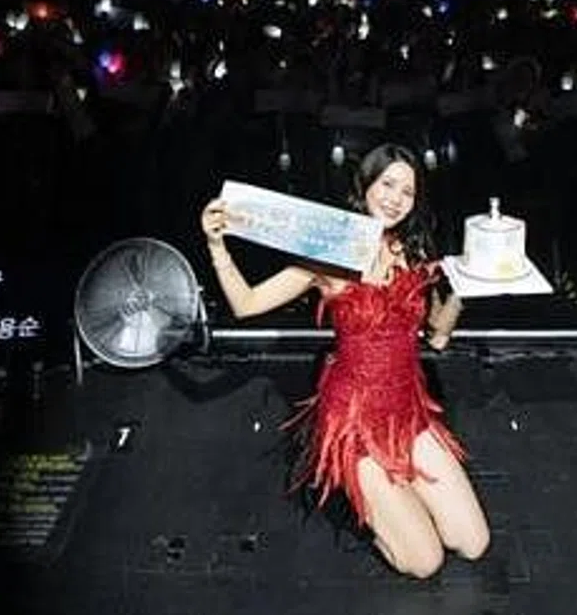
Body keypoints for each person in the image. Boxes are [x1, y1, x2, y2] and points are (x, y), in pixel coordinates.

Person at [199, 144, 491, 580]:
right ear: (365, 185)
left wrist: (468, 289)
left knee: (473, 544)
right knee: (425, 563)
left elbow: (439, 336)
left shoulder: (413, 250)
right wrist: (216, 244)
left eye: (407, 191)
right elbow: (246, 304)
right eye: (387, 184)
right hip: (355, 424)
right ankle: (366, 497)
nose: (395, 198)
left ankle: (399, 492)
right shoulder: (331, 251)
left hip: (408, 416)